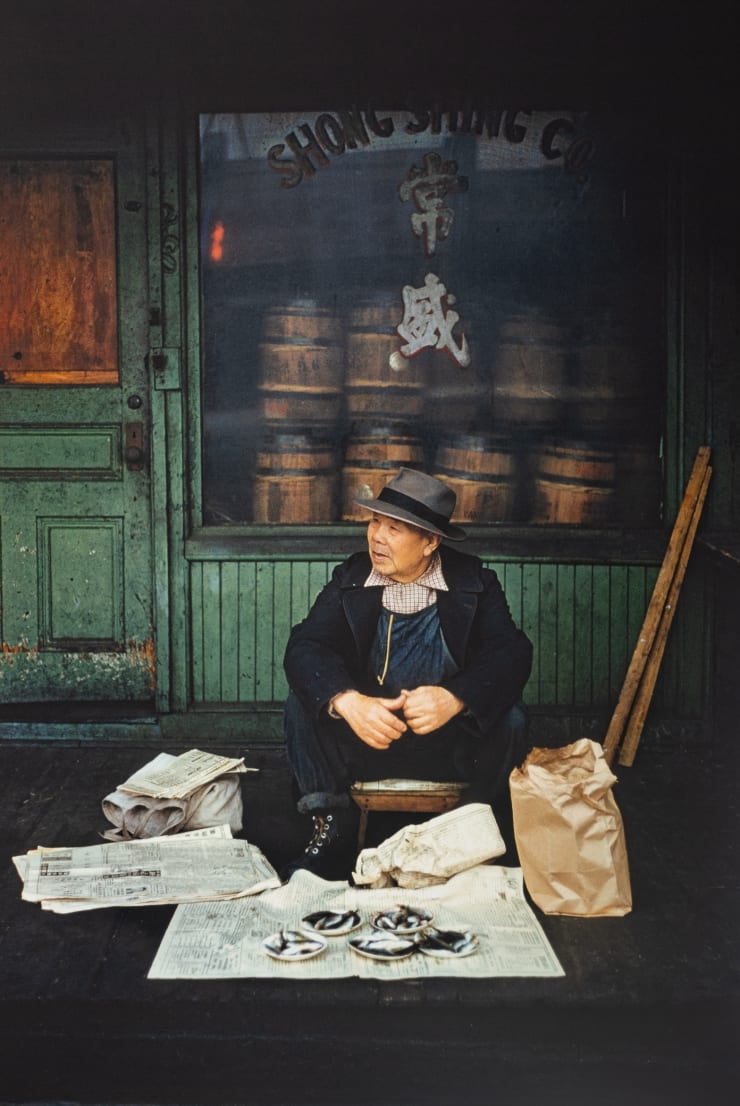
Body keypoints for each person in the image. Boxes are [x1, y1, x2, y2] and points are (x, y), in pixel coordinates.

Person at [281, 467, 533, 879]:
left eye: (395, 529)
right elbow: (305, 646)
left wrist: (456, 698)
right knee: (304, 701)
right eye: (375, 521)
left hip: (448, 745)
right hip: (370, 741)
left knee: (512, 715)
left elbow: (512, 652)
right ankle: (329, 830)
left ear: (430, 542)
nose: (377, 536)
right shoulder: (352, 576)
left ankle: (473, 833)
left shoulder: (473, 581)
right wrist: (348, 701)